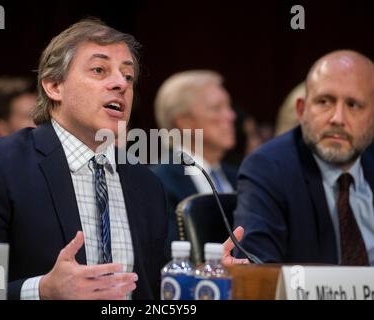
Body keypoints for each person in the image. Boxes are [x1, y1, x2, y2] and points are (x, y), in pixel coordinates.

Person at [0, 19, 167, 300]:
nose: (121, 84)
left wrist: (206, 279)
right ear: (54, 86)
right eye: (99, 70)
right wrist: (42, 290)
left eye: (128, 77)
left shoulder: (147, 184)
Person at [234, 50, 374, 265]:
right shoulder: (269, 167)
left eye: (353, 105)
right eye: (324, 101)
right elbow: (257, 264)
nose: (337, 118)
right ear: (302, 110)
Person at [150, 70, 238, 248]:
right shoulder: (158, 183)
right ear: (184, 122)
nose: (231, 116)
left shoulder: (239, 176)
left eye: (229, 106)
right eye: (216, 108)